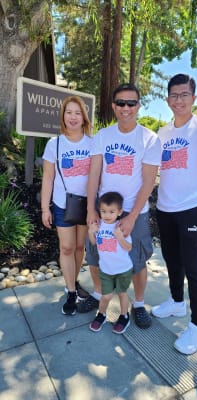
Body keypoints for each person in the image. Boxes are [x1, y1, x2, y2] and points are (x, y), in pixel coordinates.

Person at [77, 83, 161, 329]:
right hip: (103, 212)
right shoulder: (103, 136)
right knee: (95, 257)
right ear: (114, 106)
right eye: (121, 103)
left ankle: (138, 304)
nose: (126, 108)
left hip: (134, 213)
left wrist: (133, 215)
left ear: (138, 106)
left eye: (131, 103)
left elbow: (149, 181)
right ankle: (98, 295)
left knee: (136, 262)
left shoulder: (149, 139)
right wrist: (91, 210)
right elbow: (94, 173)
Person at [152, 73, 197, 354]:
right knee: (171, 259)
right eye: (174, 95)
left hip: (192, 210)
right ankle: (176, 303)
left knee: (195, 269)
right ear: (167, 99)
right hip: (165, 208)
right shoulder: (163, 132)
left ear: (193, 98)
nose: (178, 100)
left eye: (184, 95)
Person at [41, 95, 92, 316]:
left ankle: (75, 279)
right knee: (67, 247)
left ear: (83, 117)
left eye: (77, 112)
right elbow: (48, 178)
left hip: (86, 205)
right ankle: (71, 291)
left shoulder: (93, 142)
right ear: (63, 116)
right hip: (63, 205)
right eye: (69, 112)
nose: (73, 117)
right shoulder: (55, 144)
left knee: (80, 247)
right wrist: (45, 208)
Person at [88, 191, 133, 334]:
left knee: (122, 293)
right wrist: (91, 232)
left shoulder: (121, 227)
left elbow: (128, 247)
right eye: (103, 211)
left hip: (123, 269)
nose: (107, 215)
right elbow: (94, 243)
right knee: (106, 296)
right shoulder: (99, 226)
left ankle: (124, 316)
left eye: (112, 211)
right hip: (106, 270)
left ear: (119, 212)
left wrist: (119, 236)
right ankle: (101, 315)